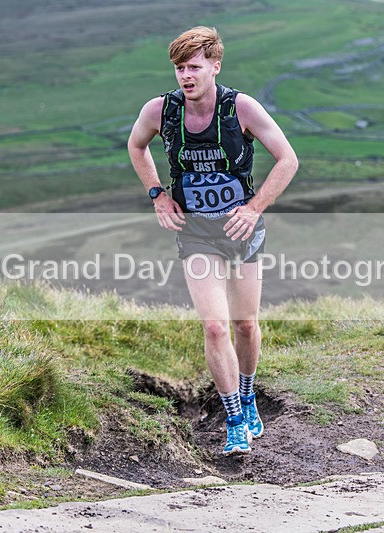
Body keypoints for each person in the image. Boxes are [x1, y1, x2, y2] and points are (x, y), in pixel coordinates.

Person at [127, 27, 298, 455]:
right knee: (215, 325)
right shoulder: (160, 111)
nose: (186, 76)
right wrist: (157, 195)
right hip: (196, 233)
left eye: (194, 67)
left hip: (241, 231)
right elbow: (136, 146)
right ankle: (234, 417)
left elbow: (288, 159)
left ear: (215, 66)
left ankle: (249, 391)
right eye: (179, 68)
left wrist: (255, 207)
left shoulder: (241, 107)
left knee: (244, 325)